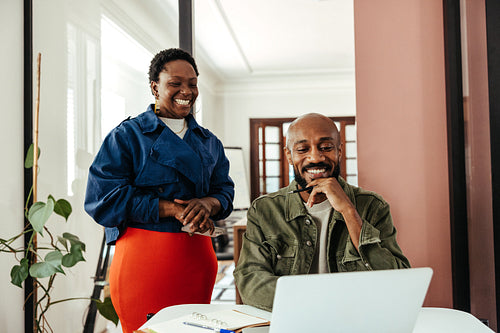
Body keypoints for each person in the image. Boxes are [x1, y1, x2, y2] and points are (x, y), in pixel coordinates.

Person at [84, 48, 234, 332]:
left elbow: (224, 190)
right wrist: (173, 209)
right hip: (145, 262)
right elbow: (101, 200)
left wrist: (207, 204)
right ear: (155, 87)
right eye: (175, 83)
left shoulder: (209, 141)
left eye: (192, 83)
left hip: (197, 260)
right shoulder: (127, 136)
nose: (186, 91)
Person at [233, 113, 410, 312]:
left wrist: (348, 211)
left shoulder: (373, 206)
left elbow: (397, 281)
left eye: (326, 147)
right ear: (289, 155)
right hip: (293, 321)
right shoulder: (264, 210)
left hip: (356, 321)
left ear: (339, 151)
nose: (316, 157)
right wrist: (320, 303)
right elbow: (251, 281)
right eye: (302, 149)